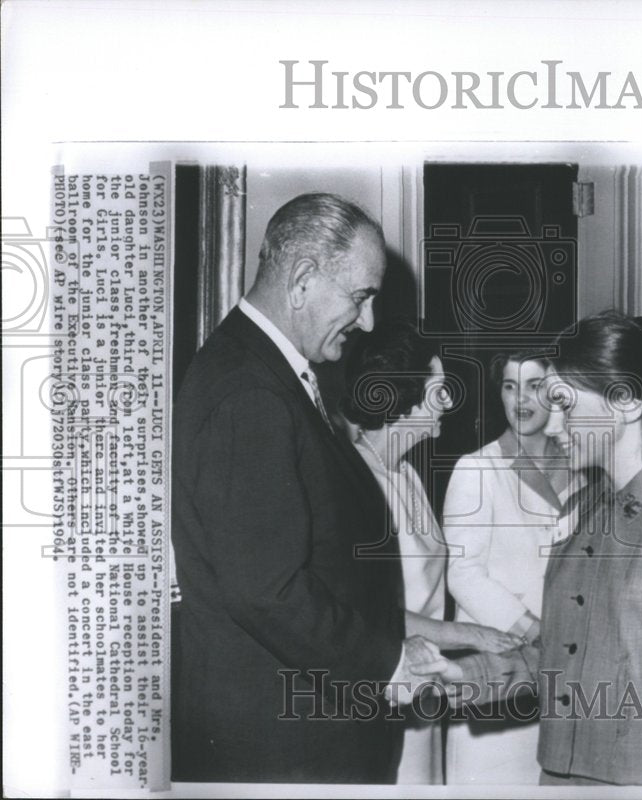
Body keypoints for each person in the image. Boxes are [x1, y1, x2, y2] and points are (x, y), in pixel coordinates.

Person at [171, 193, 447, 783]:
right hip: (281, 748)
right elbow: (264, 589)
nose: (368, 321)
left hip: (301, 729)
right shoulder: (251, 391)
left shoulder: (264, 371)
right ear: (302, 281)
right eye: (361, 297)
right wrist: (387, 662)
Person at [423, 312, 642, 786]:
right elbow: (565, 659)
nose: (551, 421)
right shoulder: (586, 511)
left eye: (564, 402)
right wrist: (469, 677)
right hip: (563, 778)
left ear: (625, 402)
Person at [340, 319, 521, 784]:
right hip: (385, 688)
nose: (448, 403)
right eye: (438, 390)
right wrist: (470, 635)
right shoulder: (354, 478)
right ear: (402, 394)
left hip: (425, 688)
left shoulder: (407, 475)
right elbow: (364, 611)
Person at [442, 350, 575, 785]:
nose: (521, 399)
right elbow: (463, 575)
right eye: (510, 385)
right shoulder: (476, 469)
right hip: (498, 677)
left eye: (534, 385)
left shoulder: (583, 468)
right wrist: (537, 631)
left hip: (562, 681)